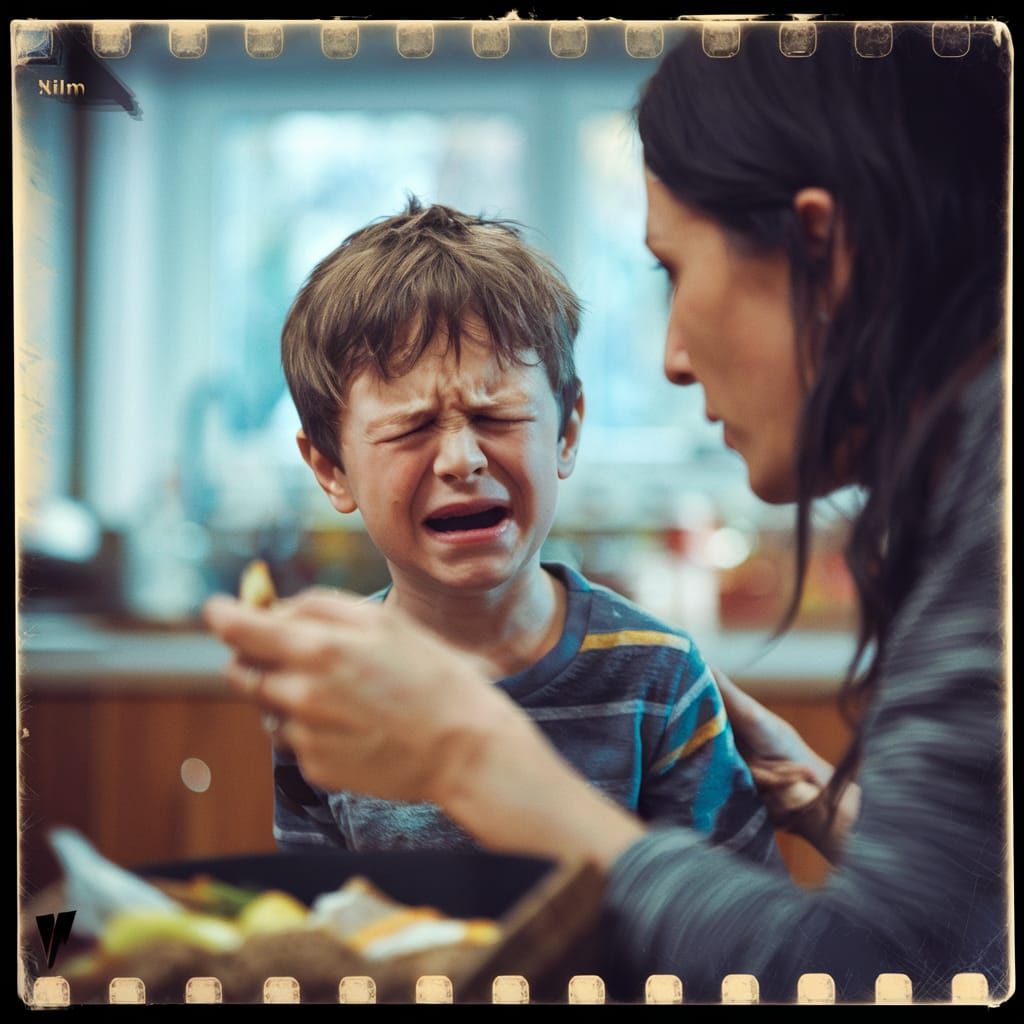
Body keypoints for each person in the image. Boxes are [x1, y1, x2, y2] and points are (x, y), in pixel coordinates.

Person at [205, 23, 1010, 1002]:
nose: (670, 357)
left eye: (673, 268)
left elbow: (845, 969)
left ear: (819, 251)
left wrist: (472, 755)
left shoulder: (670, 669)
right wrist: (833, 804)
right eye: (412, 427)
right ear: (326, 464)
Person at [261, 198, 777, 863]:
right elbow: (315, 934)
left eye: (498, 416)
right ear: (331, 467)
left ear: (566, 431)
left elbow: (736, 937)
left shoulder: (658, 677)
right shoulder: (334, 687)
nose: (462, 459)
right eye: (411, 428)